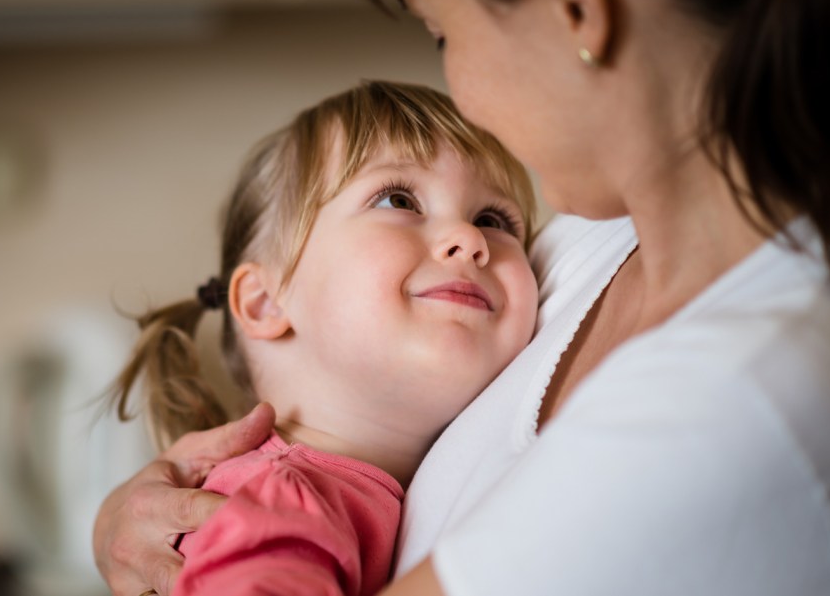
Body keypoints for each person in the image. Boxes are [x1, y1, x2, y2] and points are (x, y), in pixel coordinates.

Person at [93, 0, 830, 594]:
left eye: (442, 32)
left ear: (574, 5)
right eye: (399, 200)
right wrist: (134, 527)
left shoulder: (734, 395)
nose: (471, 241)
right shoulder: (588, 242)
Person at [105, 80, 540, 596]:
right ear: (266, 302)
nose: (469, 240)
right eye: (398, 198)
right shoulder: (285, 500)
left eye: (493, 219)